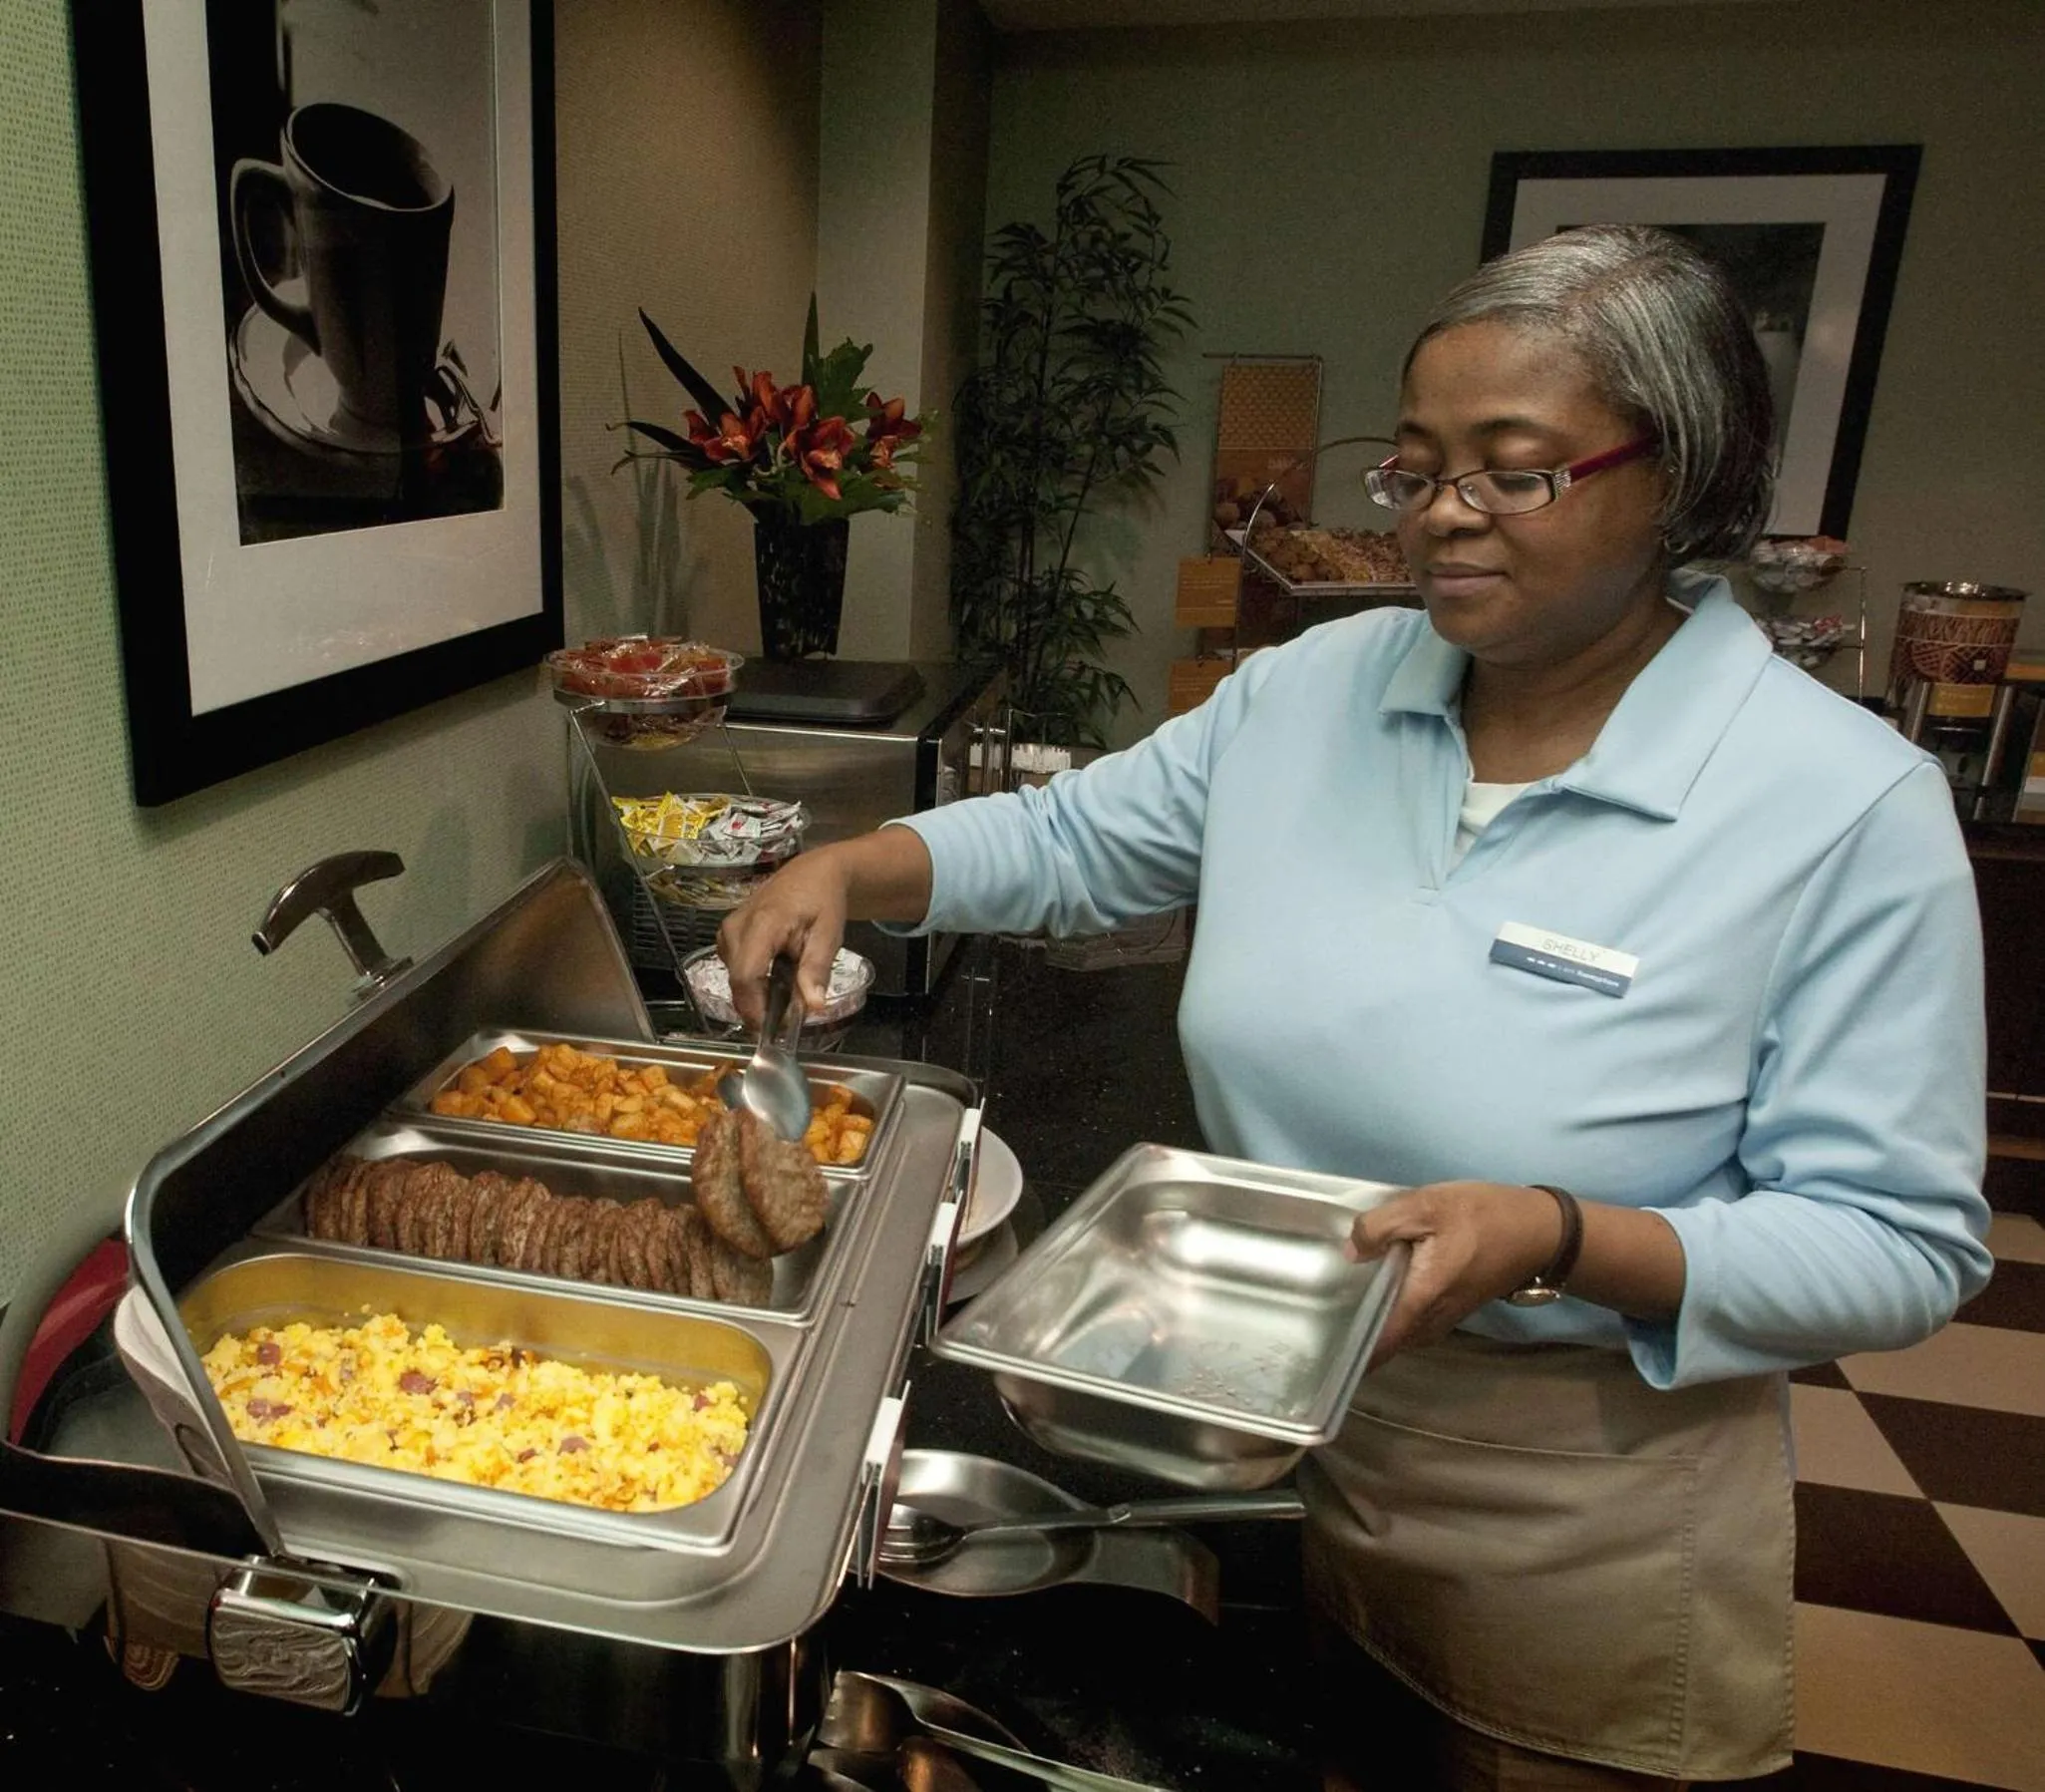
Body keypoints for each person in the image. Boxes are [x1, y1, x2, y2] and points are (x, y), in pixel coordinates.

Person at [717, 224, 1992, 1789]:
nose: (1442, 518)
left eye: (1511, 470)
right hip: (1286, 1430)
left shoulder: (1837, 803)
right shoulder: (1314, 691)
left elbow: (1897, 1244)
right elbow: (1069, 840)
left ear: (1682, 476)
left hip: (1576, 1505)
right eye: (1415, 468)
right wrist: (861, 860)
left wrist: (1556, 1235)